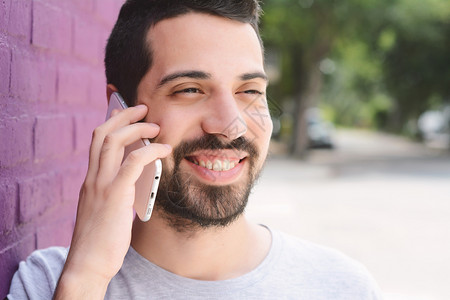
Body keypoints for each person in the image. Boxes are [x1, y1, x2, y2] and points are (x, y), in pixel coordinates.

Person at [8, 0, 383, 299]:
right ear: (119, 111)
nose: (230, 124)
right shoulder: (50, 285)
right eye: (189, 89)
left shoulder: (343, 288)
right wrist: (87, 278)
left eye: (249, 91)